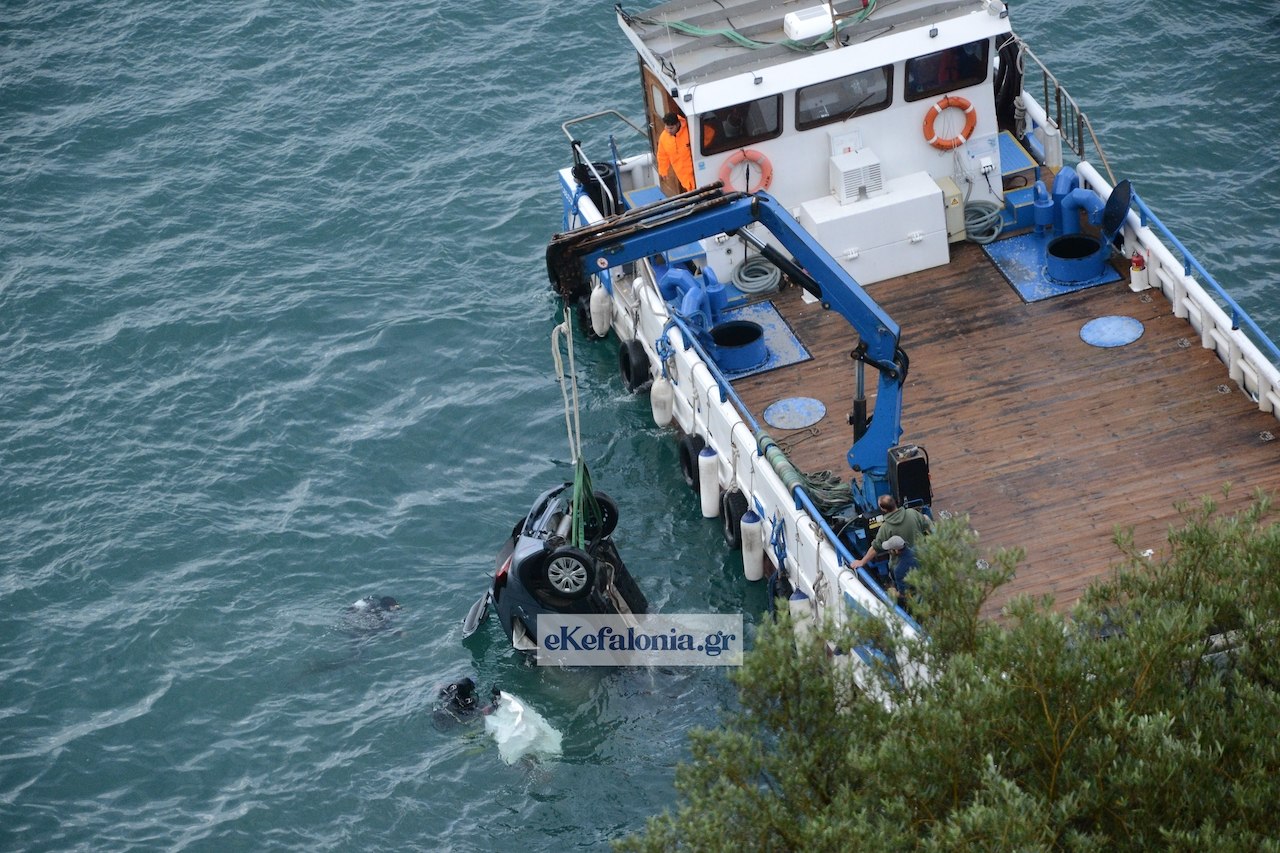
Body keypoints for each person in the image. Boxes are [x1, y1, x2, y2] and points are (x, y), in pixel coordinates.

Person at [851, 495, 932, 575]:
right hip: (922, 558)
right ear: (894, 502)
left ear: (883, 509)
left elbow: (875, 548)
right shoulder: (912, 513)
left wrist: (862, 562)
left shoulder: (885, 528)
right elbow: (927, 525)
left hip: (901, 566)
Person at [656, 112, 695, 194]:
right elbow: (662, 155)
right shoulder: (663, 137)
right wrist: (663, 171)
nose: (668, 131)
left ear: (677, 125)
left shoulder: (690, 130)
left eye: (671, 128)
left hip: (696, 173)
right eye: (667, 127)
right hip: (683, 176)